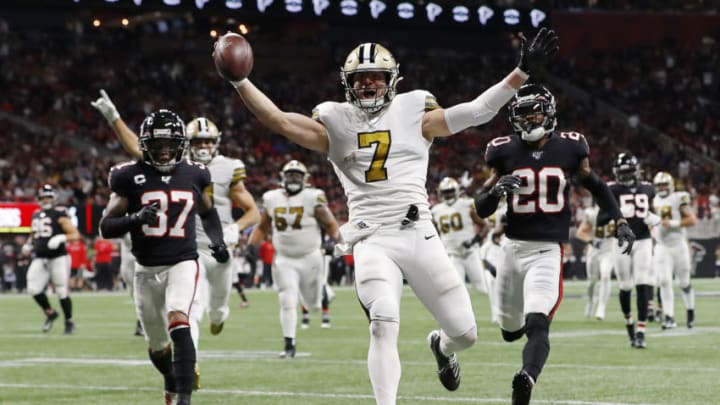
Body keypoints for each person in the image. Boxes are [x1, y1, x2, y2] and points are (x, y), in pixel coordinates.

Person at [217, 27, 559, 403]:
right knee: (382, 323)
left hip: (419, 233)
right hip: (371, 238)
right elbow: (279, 120)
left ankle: (441, 348)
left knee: (465, 334)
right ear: (346, 83)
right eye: (359, 78)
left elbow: (477, 111)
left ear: (391, 80)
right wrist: (241, 81)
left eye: (375, 77)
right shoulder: (334, 120)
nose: (367, 85)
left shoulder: (415, 110)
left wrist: (521, 73)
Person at [473, 84, 636, 405]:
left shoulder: (571, 148)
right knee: (509, 330)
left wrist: (620, 220)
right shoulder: (502, 151)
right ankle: (518, 345)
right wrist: (494, 192)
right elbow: (481, 207)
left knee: (537, 322)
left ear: (549, 112)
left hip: (547, 252)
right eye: (522, 112)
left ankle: (526, 379)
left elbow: (598, 186)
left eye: (534, 110)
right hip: (511, 250)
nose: (529, 118)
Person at [92, 91, 260, 341]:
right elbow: (138, 148)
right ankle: (188, 363)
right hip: (187, 249)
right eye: (198, 141)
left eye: (207, 141)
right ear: (186, 142)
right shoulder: (174, 162)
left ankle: (219, 315)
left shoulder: (229, 167)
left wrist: (236, 227)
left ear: (217, 142)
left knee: (217, 305)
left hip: (220, 244)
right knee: (191, 309)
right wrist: (114, 117)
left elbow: (253, 211)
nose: (203, 146)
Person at [99, 109, 230, 405]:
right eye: (158, 146)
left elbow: (208, 212)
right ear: (145, 145)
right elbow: (106, 227)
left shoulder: (195, 173)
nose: (165, 151)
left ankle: (184, 398)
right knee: (157, 345)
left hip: (182, 261)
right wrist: (135, 218)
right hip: (145, 270)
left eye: (171, 145)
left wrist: (218, 241)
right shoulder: (129, 176)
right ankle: (171, 380)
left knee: (179, 318)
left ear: (181, 144)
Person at [248, 160, 340, 358]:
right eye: (290, 175)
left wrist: (334, 241)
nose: (293, 179)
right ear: (283, 178)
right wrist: (251, 245)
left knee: (314, 304)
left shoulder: (313, 197)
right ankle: (289, 344)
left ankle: (324, 292)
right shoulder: (272, 198)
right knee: (287, 299)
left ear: (305, 179)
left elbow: (331, 223)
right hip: (284, 259)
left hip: (311, 256)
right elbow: (263, 226)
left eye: (297, 175)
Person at [606, 152, 657, 349]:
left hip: (643, 240)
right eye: (621, 172)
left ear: (636, 170)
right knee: (625, 285)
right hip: (621, 241)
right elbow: (603, 215)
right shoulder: (612, 189)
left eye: (627, 171)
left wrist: (652, 217)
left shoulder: (648, 188)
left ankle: (641, 331)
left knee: (642, 281)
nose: (624, 175)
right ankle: (629, 324)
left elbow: (650, 209)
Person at [431, 177, 496, 322]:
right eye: (445, 192)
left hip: (470, 252)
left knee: (482, 288)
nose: (448, 194)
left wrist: (474, 240)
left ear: (456, 191)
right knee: (456, 288)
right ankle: (461, 319)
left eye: (450, 191)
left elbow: (485, 226)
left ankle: (500, 310)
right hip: (453, 254)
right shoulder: (436, 210)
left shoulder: (466, 205)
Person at [23, 184, 80, 335]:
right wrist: (29, 244)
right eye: (43, 197)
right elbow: (34, 234)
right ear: (38, 199)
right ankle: (50, 312)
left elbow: (75, 235)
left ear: (53, 198)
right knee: (33, 288)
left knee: (61, 290)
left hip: (58, 257)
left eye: (48, 197)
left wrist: (61, 237)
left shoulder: (59, 213)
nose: (46, 199)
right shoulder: (35, 214)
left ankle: (69, 321)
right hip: (40, 258)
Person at [651, 171, 697, 329]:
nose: (662, 187)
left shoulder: (679, 198)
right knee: (664, 281)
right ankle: (669, 317)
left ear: (670, 185)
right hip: (662, 246)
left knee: (683, 282)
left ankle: (690, 310)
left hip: (678, 245)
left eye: (664, 184)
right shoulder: (652, 199)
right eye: (659, 185)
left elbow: (692, 220)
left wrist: (673, 223)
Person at [575, 204, 615, 320]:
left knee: (606, 275)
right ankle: (591, 301)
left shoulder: (618, 213)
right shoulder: (592, 213)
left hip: (609, 250)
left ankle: (601, 308)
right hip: (595, 251)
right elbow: (580, 232)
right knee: (592, 281)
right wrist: (591, 241)